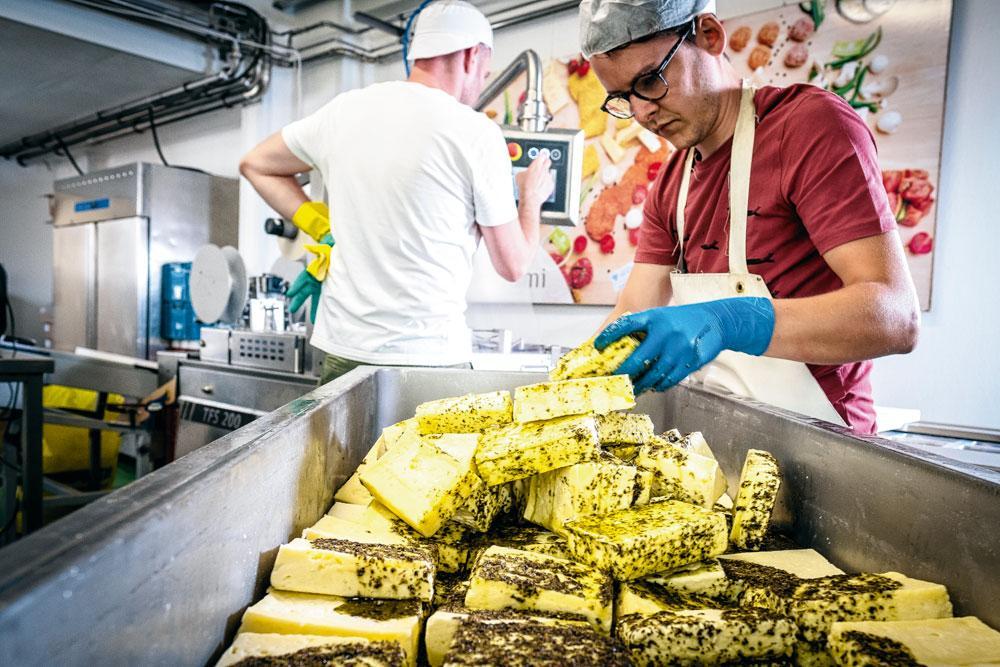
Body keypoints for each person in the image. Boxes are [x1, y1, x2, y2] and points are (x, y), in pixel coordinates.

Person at [580, 0, 919, 433]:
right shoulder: (671, 183)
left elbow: (896, 317)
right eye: (622, 97)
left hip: (823, 446)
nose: (642, 112)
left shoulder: (809, 128)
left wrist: (728, 321)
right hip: (721, 439)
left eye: (651, 80)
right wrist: (567, 389)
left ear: (709, 36)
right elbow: (631, 311)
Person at [240, 0, 554, 384]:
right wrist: (531, 198)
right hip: (427, 360)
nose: (480, 85)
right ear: (472, 56)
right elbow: (514, 264)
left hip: (342, 352)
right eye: (485, 72)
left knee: (344, 448)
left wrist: (318, 225)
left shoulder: (344, 111)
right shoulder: (474, 131)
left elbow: (256, 164)